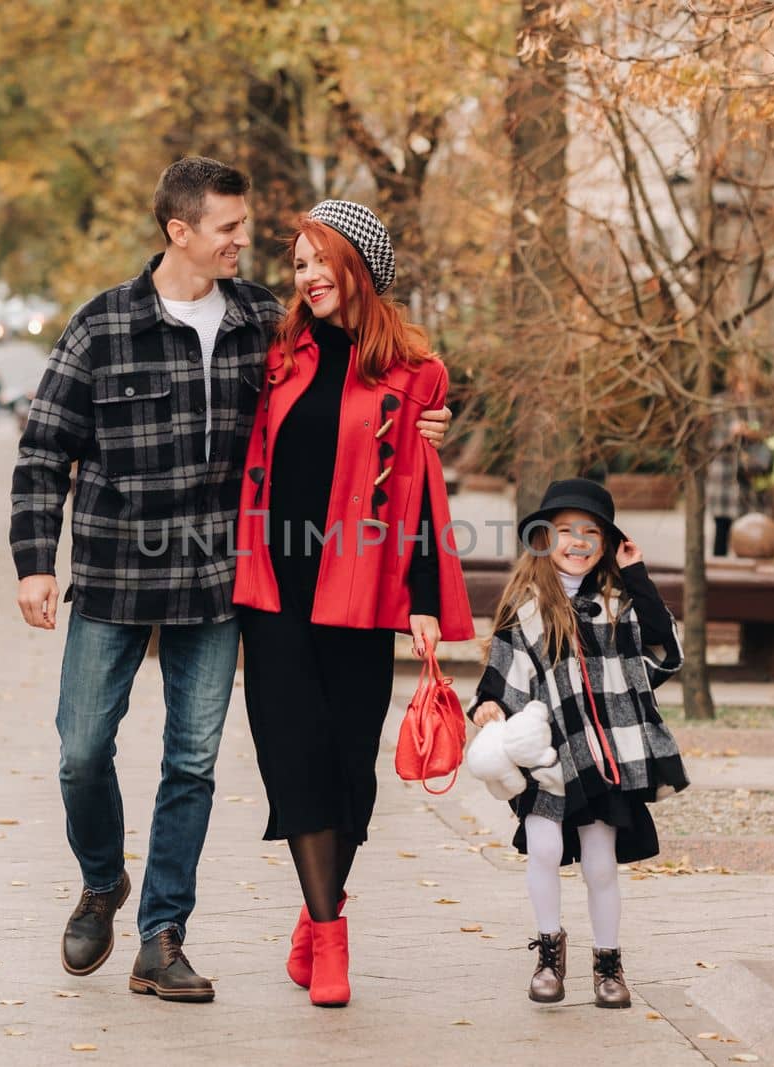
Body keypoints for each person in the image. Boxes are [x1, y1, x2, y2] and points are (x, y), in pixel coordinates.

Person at [10, 160, 450, 1004]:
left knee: (194, 761)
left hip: (219, 584)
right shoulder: (103, 326)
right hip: (114, 576)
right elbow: (43, 449)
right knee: (80, 751)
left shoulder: (261, 323)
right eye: (229, 229)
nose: (245, 243)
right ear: (180, 231)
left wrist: (429, 414)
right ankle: (104, 880)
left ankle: (163, 935)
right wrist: (36, 560)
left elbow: (372, 382)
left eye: (251, 232)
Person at [232, 201, 475, 1008]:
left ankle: (314, 911)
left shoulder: (416, 372)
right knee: (293, 756)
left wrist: (430, 596)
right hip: (274, 592)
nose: (304, 276)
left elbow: (421, 488)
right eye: (296, 262)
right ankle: (331, 938)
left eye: (319, 260)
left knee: (349, 771)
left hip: (361, 594)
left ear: (358, 266)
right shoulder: (272, 354)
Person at [469, 478, 688, 1008]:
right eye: (566, 530)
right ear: (545, 539)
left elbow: (665, 649)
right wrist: (488, 705)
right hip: (547, 753)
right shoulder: (524, 606)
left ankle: (608, 961)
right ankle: (549, 950)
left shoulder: (619, 604)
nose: (579, 541)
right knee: (544, 849)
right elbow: (499, 675)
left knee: (600, 861)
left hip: (605, 754)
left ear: (607, 543)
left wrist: (635, 572)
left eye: (592, 532)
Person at [705, 366, 767, 556]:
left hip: (749, 474)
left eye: (749, 383)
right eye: (741, 382)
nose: (744, 388)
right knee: (722, 527)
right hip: (724, 474)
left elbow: (768, 433)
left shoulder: (758, 406)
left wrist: (752, 432)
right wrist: (732, 433)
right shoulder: (720, 403)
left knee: (748, 529)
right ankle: (719, 568)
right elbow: (713, 440)